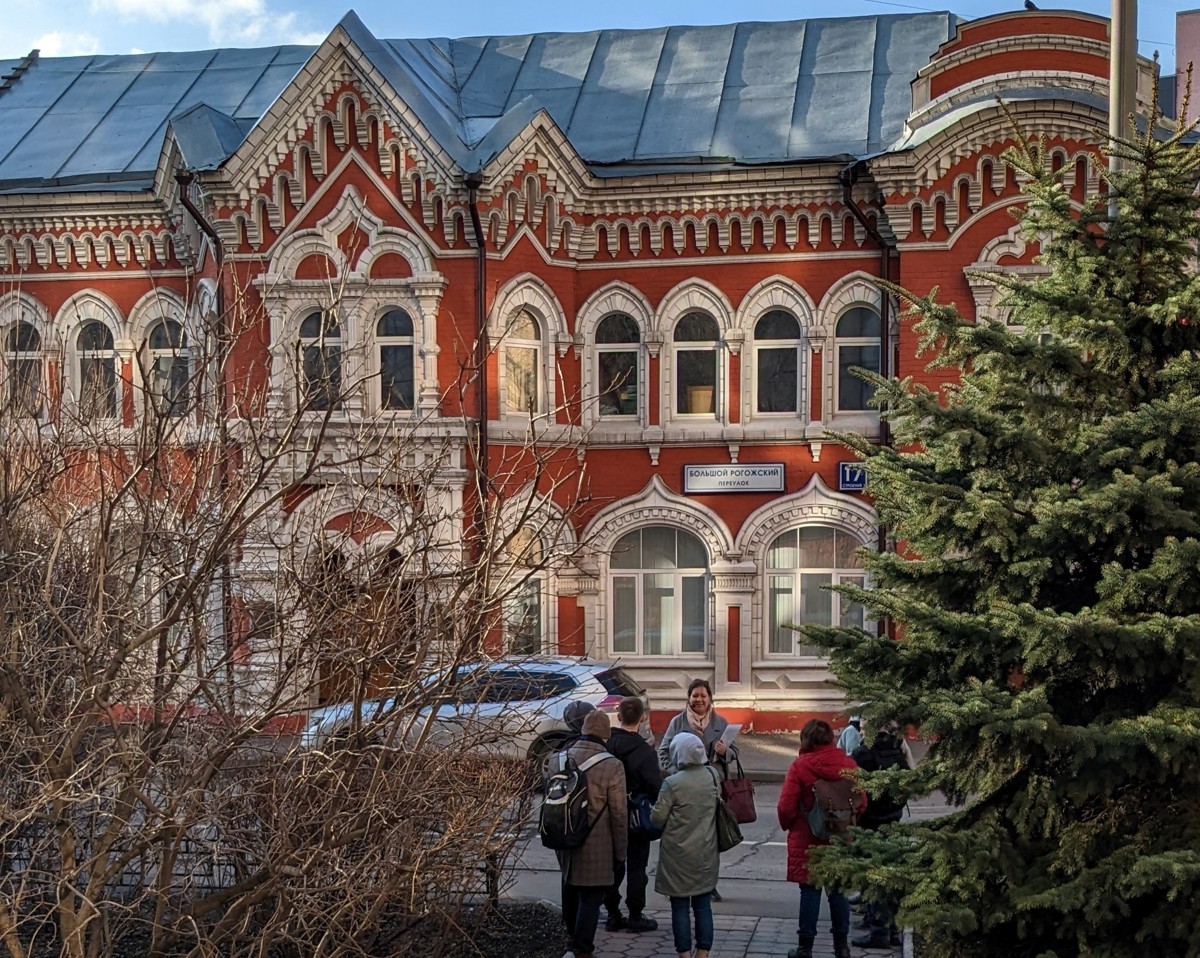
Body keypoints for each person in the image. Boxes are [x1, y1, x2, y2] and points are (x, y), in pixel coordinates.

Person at [777, 718, 864, 958]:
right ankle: (841, 948)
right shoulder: (849, 765)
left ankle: (805, 949)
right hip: (840, 838)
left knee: (810, 892)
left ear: (805, 739)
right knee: (838, 892)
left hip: (808, 839)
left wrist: (790, 825)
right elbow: (862, 802)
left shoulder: (800, 766)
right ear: (830, 739)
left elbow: (785, 807)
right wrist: (845, 823)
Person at [657, 678, 734, 900]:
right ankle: (678, 884)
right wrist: (676, 773)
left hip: (712, 789)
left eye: (703, 695)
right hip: (683, 790)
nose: (699, 699)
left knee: (710, 839)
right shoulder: (678, 722)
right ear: (688, 698)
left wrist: (723, 752)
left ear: (710, 698)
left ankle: (709, 885)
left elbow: (734, 754)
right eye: (695, 695)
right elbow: (663, 753)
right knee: (682, 838)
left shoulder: (721, 722)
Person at [558, 709, 627, 958]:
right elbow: (619, 814)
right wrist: (621, 852)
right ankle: (582, 949)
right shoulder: (612, 765)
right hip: (597, 842)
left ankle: (569, 942)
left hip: (564, 838)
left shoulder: (561, 758)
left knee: (569, 889)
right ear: (605, 735)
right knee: (591, 897)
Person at [650, 732, 720, 958]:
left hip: (677, 855)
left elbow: (657, 819)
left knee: (679, 905)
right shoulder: (712, 775)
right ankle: (703, 951)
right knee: (702, 904)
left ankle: (684, 953)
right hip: (705, 851)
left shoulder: (672, 783)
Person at [603, 696, 661, 933]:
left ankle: (613, 913)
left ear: (618, 717)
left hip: (608, 814)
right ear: (643, 718)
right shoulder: (645, 752)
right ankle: (635, 914)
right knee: (637, 867)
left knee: (612, 866)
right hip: (636, 815)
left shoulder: (608, 745)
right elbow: (655, 787)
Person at [850, 727, 908, 949]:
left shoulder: (863, 754)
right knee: (887, 873)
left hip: (870, 821)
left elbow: (852, 783)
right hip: (892, 819)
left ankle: (878, 931)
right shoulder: (896, 750)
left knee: (873, 875)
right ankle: (892, 931)